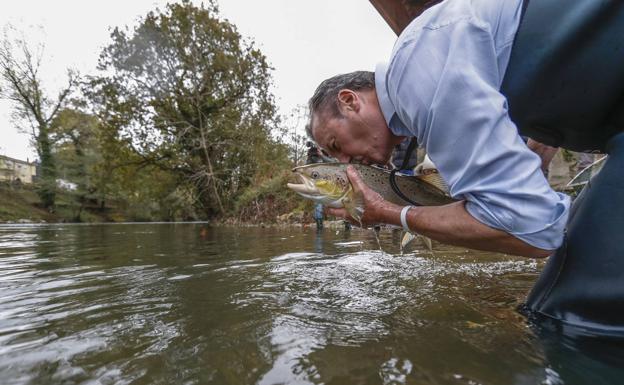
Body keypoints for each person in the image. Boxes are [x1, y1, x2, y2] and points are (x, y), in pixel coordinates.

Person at [307, 0, 569, 259]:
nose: (344, 161)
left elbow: (536, 230)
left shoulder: (411, 75)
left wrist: (388, 213)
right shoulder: (418, 74)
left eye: (336, 145)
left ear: (350, 101)